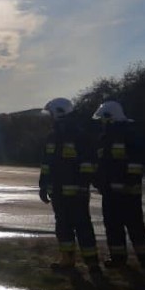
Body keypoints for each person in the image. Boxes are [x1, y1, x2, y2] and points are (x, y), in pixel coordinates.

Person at [39, 97, 101, 274]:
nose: (50, 117)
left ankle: (92, 263)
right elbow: (46, 165)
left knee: (83, 226)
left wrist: (83, 184)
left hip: (77, 193)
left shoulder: (80, 136)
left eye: (51, 113)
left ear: (59, 112)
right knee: (63, 226)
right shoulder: (52, 137)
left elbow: (89, 164)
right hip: (57, 192)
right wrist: (43, 185)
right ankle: (67, 260)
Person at [92, 101, 145, 268]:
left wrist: (130, 182)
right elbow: (102, 163)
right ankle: (118, 259)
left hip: (128, 192)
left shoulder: (129, 133)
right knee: (112, 226)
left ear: (109, 117)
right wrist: (98, 180)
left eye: (103, 119)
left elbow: (137, 162)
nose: (101, 122)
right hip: (109, 191)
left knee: (135, 225)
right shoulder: (105, 137)